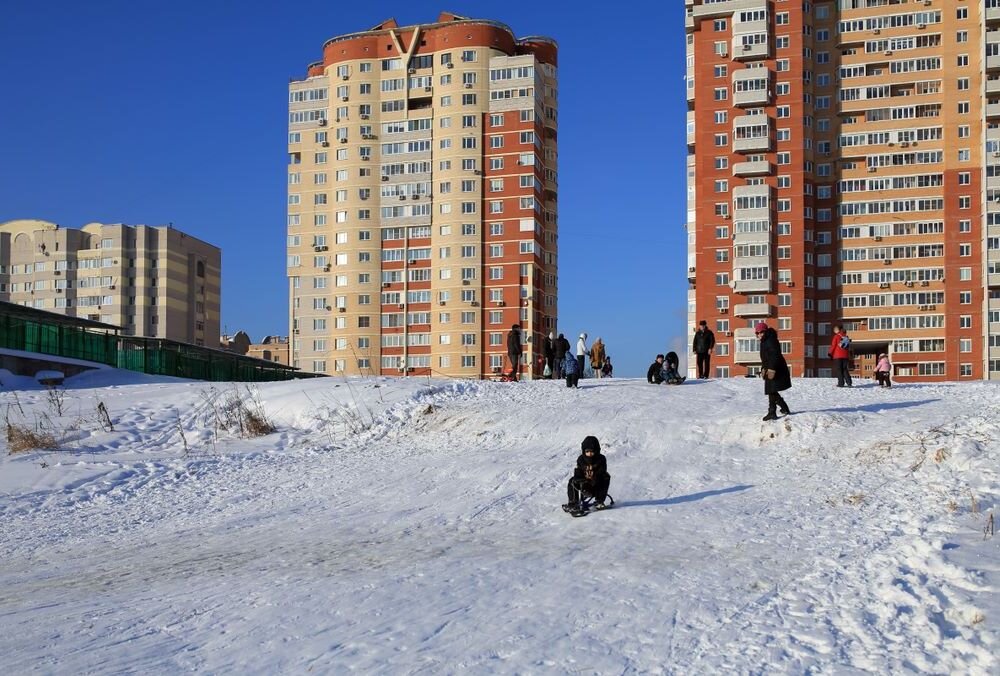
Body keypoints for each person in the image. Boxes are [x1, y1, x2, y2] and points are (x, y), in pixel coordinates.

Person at [563, 435, 611, 512]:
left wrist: (592, 481)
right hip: (584, 484)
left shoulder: (601, 459)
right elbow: (578, 471)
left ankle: (599, 501)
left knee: (606, 476)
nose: (589, 453)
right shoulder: (581, 459)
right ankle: (573, 503)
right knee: (572, 481)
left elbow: (601, 471)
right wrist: (580, 480)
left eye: (592, 451)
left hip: (596, 485)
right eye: (587, 451)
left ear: (596, 450)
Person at [757, 321, 791, 421]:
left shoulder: (770, 340)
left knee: (771, 390)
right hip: (770, 368)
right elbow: (765, 358)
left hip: (776, 368)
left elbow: (774, 355)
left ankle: (772, 412)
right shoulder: (765, 341)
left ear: (765, 331)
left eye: (761, 332)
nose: (759, 334)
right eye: (757, 333)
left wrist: (771, 369)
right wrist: (763, 368)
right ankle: (783, 408)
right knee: (771, 390)